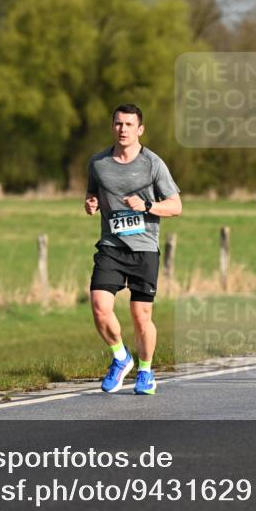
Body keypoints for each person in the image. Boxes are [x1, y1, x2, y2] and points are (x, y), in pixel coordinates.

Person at [86, 104, 182, 394]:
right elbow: (93, 193)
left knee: (141, 317)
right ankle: (121, 357)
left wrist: (147, 205)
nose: (123, 129)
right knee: (100, 307)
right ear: (112, 126)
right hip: (111, 246)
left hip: (144, 248)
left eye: (129, 124)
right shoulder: (98, 163)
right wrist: (91, 203)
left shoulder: (153, 164)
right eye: (118, 123)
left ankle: (145, 371)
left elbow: (176, 206)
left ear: (140, 129)